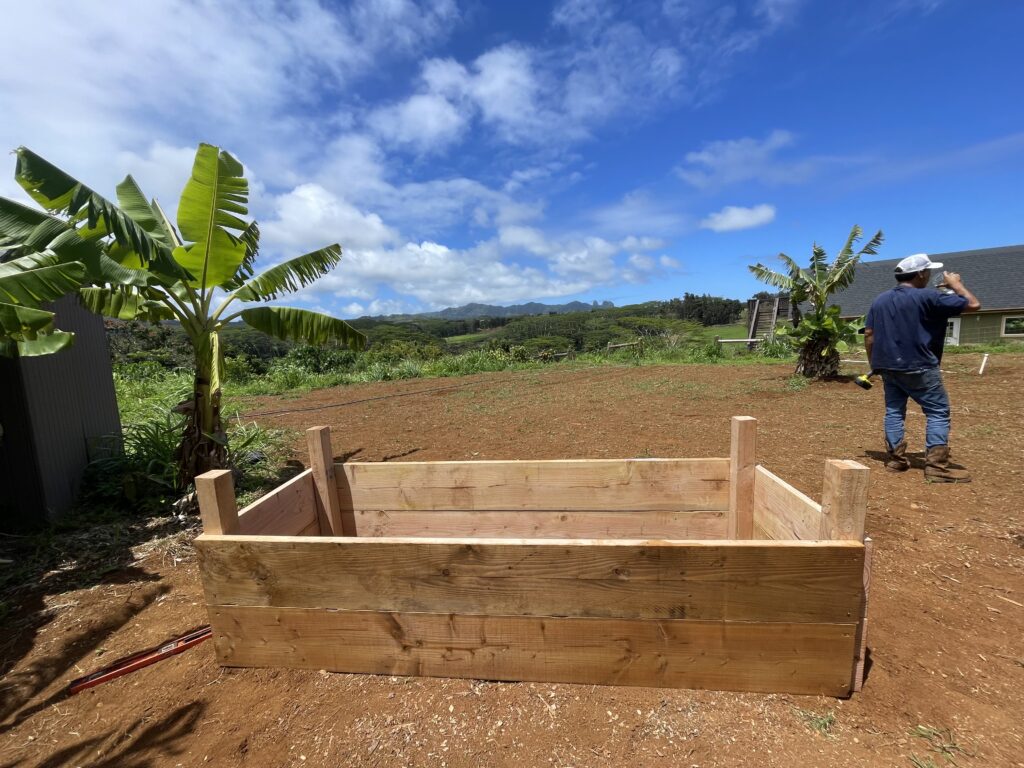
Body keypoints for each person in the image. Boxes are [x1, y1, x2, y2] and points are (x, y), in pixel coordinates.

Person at [863, 253, 981, 482]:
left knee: (894, 411)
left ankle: (896, 460)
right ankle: (936, 468)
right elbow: (973, 304)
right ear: (920, 273)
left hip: (888, 368)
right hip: (920, 366)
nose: (928, 275)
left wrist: (875, 365)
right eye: (928, 271)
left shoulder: (880, 300)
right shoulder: (929, 296)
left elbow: (869, 334)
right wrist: (956, 285)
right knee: (937, 412)